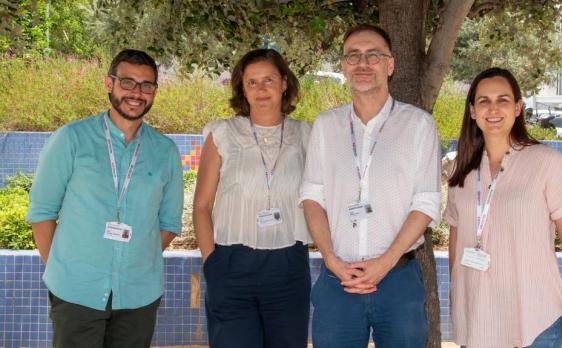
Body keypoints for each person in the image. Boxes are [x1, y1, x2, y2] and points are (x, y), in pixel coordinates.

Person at [26, 49, 184, 348]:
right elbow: (42, 212)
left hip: (138, 294)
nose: (136, 93)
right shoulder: (71, 139)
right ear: (109, 83)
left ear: (154, 92)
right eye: (127, 82)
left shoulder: (165, 152)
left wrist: (136, 257)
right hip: (76, 290)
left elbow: (170, 222)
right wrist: (63, 269)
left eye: (146, 85)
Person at [301, 24, 441, 348]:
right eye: (354, 56)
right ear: (344, 66)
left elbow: (427, 203)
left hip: (398, 280)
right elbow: (311, 198)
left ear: (390, 65)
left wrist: (385, 262)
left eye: (373, 55)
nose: (363, 63)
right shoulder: (326, 125)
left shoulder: (418, 125)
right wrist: (332, 260)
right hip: (338, 281)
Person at [444, 67, 562, 348]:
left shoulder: (546, 162)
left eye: (503, 100)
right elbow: (455, 236)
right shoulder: (460, 169)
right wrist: (457, 296)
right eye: (484, 101)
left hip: (535, 317)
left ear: (518, 108)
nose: (493, 108)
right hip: (477, 318)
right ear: (472, 111)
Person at [193, 48, 312, 348]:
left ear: (284, 83)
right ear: (242, 88)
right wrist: (212, 263)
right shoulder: (222, 133)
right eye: (252, 82)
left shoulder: (307, 135)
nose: (261, 89)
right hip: (231, 263)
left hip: (289, 265)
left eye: (269, 80)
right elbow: (202, 205)